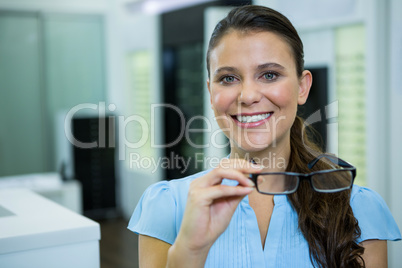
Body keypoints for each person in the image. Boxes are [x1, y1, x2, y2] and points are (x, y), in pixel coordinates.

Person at [128, 5, 401, 268]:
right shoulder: (168, 206)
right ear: (211, 93)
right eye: (228, 78)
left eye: (269, 75)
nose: (248, 96)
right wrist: (190, 250)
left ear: (302, 87)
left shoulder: (358, 207)